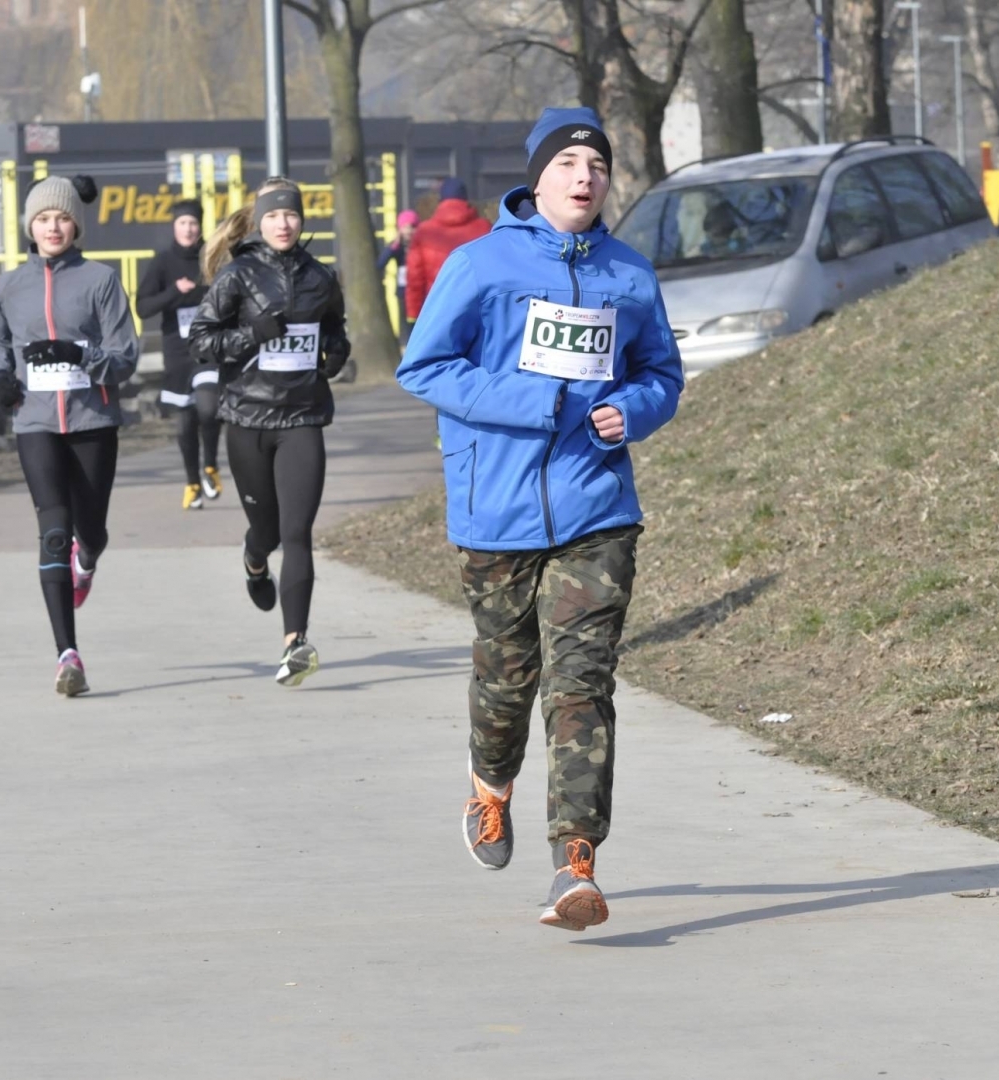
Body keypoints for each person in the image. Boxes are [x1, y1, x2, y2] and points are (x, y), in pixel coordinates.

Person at [395, 107, 684, 931]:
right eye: (568, 163)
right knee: (507, 674)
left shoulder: (629, 274)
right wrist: (539, 399)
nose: (584, 176)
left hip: (597, 505)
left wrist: (631, 410)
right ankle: (490, 789)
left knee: (582, 684)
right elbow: (427, 365)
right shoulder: (480, 265)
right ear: (538, 176)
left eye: (596, 163)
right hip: (497, 507)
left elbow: (661, 372)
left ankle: (575, 863)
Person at [189, 178, 351, 687]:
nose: (284, 223)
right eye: (275, 215)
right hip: (248, 418)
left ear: (303, 221)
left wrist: (338, 354)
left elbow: (335, 329)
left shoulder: (321, 277)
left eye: (293, 215)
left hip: (302, 419)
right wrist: (251, 334)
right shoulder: (237, 275)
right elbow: (201, 341)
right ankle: (255, 560)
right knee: (267, 533)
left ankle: (295, 644)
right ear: (260, 221)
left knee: (297, 534)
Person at [0, 175, 139, 697]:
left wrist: (81, 356)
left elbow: (126, 357)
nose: (54, 227)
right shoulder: (10, 286)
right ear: (30, 226)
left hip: (93, 421)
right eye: (44, 219)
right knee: (53, 529)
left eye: (63, 218)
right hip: (35, 423)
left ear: (77, 225)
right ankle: (66, 655)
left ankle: (87, 558)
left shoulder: (101, 280)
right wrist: (1, 379)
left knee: (89, 530)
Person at [138, 199, 222, 510]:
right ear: (175, 227)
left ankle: (211, 465)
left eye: (194, 223)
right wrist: (176, 290)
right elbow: (143, 306)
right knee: (185, 424)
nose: (189, 228)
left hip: (209, 348)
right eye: (183, 223)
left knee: (209, 407)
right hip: (176, 351)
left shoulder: (212, 257)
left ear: (201, 226)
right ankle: (192, 483)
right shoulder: (162, 263)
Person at [405, 177, 490, 323]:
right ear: (466, 199)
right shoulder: (484, 228)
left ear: (441, 201)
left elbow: (415, 277)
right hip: (477, 311)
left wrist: (413, 314)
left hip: (436, 311)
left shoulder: (424, 232)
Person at [378, 209, 419, 346]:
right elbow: (381, 262)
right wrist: (394, 246)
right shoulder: (397, 247)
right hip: (403, 291)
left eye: (412, 227)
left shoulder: (420, 245)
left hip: (419, 290)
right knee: (405, 323)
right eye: (406, 227)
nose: (409, 231)